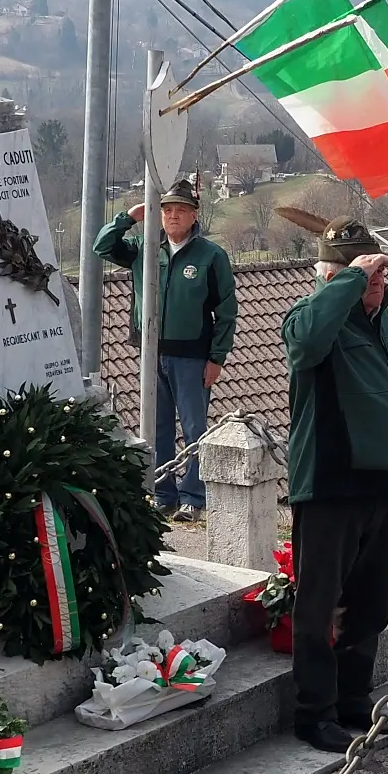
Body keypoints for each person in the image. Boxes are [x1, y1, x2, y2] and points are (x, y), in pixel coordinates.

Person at [280, 215, 388, 754]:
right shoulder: (312, 319)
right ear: (328, 276)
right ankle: (314, 714)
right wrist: (348, 280)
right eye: (355, 272)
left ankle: (355, 701)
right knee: (319, 605)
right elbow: (304, 344)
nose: (371, 281)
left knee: (370, 604)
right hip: (330, 484)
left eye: (376, 271)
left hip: (380, 484)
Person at [94, 178, 238, 521]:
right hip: (151, 351)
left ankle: (193, 497)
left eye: (181, 210)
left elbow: (227, 312)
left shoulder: (211, 256)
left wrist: (216, 358)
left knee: (193, 427)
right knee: (155, 426)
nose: (173, 216)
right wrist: (128, 217)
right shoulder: (145, 247)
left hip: (192, 356)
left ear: (193, 215)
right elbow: (101, 247)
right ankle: (162, 493)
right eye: (167, 209)